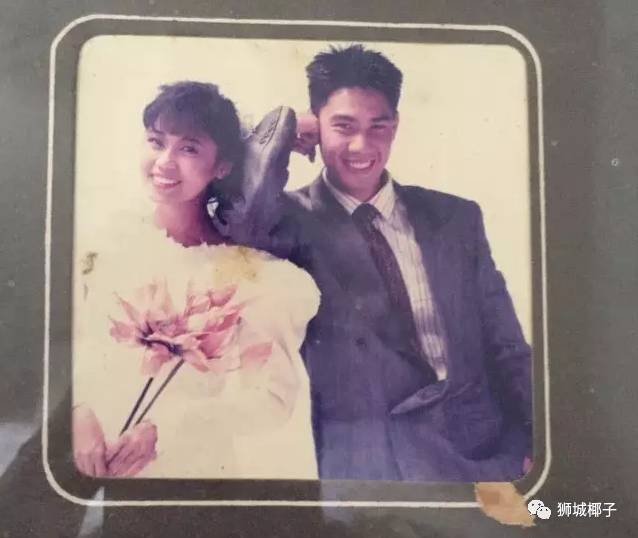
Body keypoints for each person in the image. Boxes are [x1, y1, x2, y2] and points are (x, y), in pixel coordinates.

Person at [215, 45, 533, 481]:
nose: (361, 146)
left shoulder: (455, 217)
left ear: (395, 125)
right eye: (343, 126)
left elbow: (506, 345)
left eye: (378, 126)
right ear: (316, 124)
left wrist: (538, 445)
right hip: (372, 467)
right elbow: (236, 213)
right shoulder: (287, 223)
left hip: (482, 456)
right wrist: (284, 127)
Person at [72, 81, 319, 479]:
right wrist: (77, 412)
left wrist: (166, 429)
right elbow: (70, 348)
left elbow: (271, 399)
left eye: (189, 149)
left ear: (223, 165)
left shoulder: (253, 275)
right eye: (156, 142)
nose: (165, 163)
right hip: (87, 461)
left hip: (189, 473)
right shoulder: (106, 245)